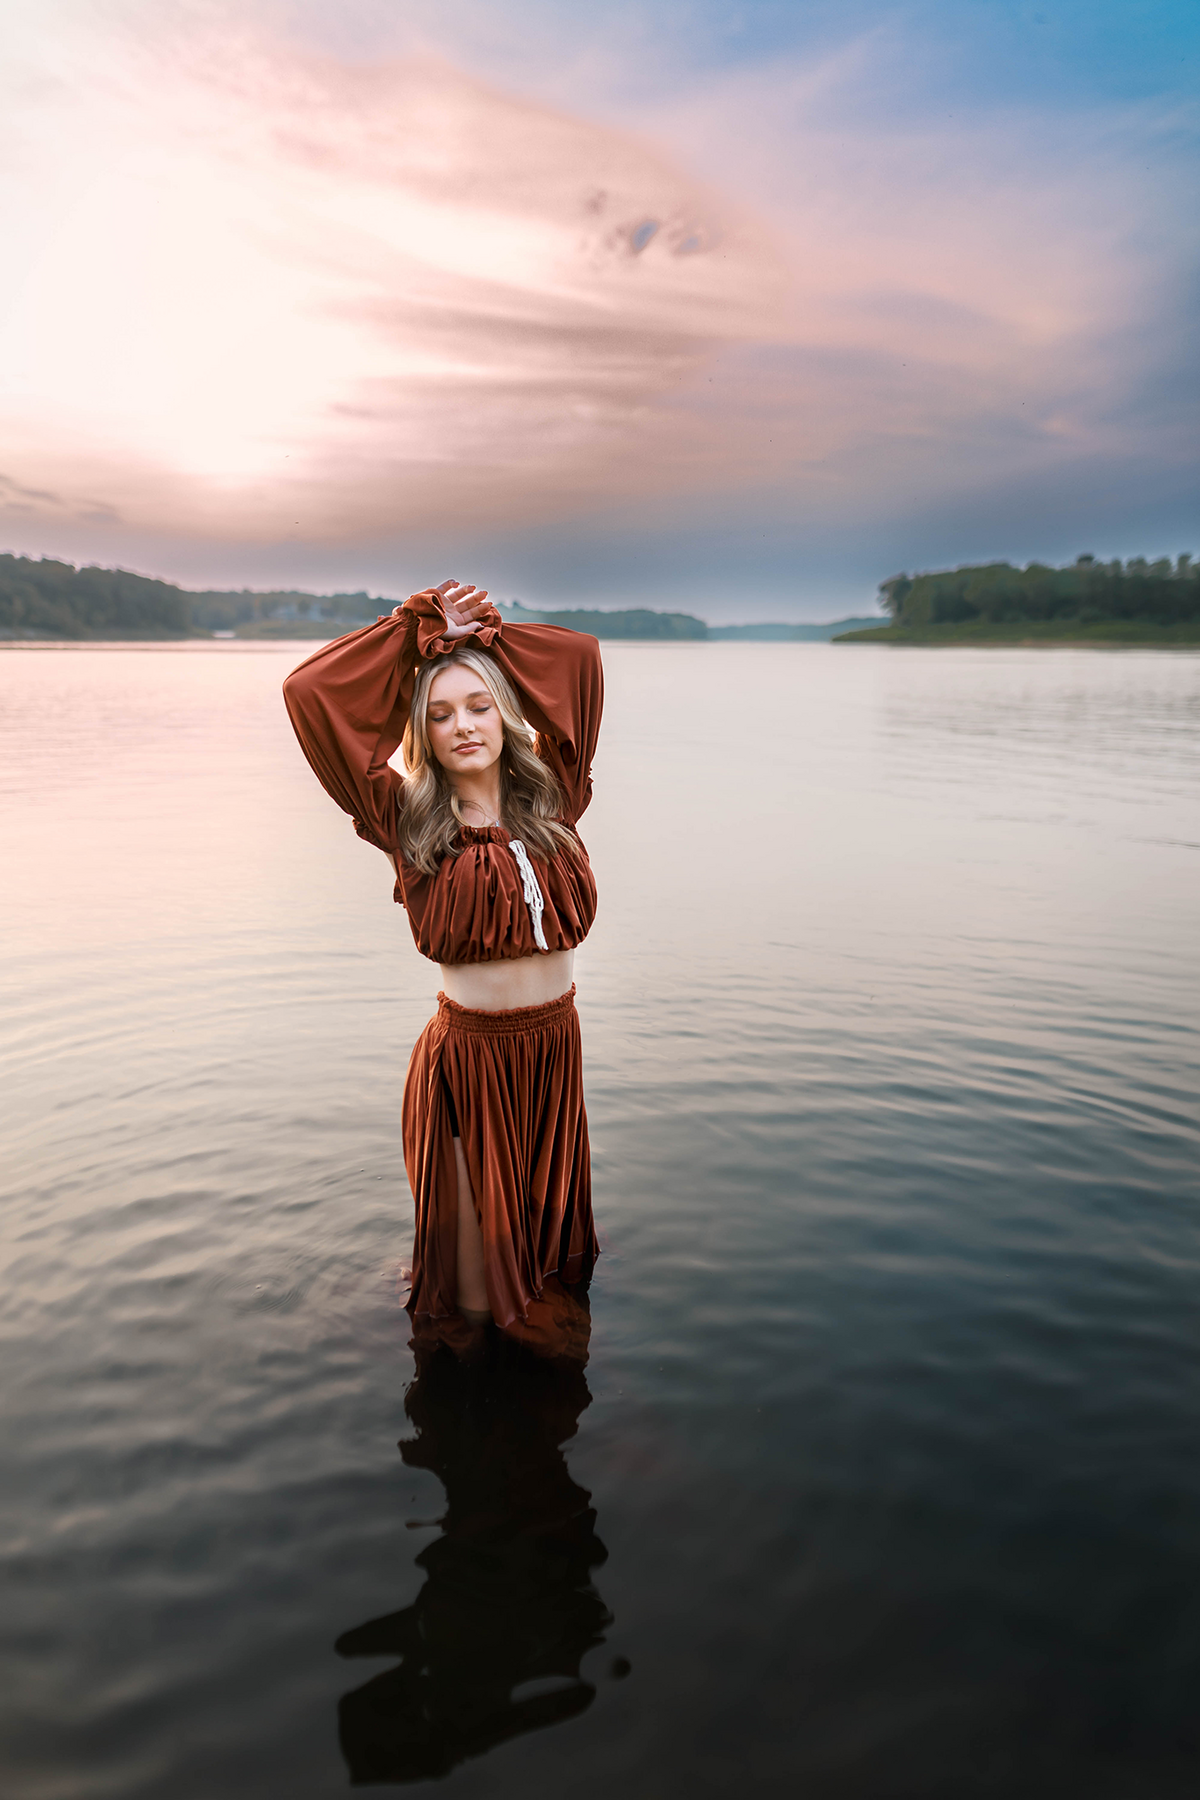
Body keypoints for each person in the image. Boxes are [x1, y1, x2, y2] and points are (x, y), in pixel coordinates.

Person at [282, 579, 603, 1358]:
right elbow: (309, 693)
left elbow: (580, 659)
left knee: (549, 1266)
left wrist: (483, 636)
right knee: (471, 1307)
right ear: (419, 733)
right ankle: (475, 1437)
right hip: (470, 1062)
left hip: (553, 1053)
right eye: (439, 713)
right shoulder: (407, 817)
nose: (462, 726)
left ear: (504, 712)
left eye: (479, 706)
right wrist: (411, 632)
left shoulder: (555, 800)